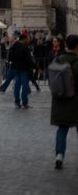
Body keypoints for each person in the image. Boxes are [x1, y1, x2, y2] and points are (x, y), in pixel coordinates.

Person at [52, 34, 78, 169]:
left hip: (60, 100)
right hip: (75, 100)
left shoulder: (58, 59)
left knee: (62, 128)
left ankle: (59, 155)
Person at [8, 31, 36, 109]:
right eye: (27, 39)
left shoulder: (14, 46)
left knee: (17, 86)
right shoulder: (25, 47)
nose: (28, 40)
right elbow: (28, 59)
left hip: (16, 68)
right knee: (24, 86)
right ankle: (24, 103)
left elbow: (10, 57)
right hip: (24, 69)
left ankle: (17, 102)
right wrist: (35, 67)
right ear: (24, 39)